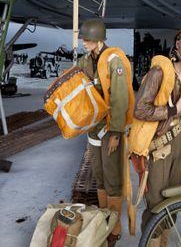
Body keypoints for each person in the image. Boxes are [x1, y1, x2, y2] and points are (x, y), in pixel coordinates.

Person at [134, 24, 181, 244]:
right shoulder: (159, 72)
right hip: (158, 147)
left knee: (174, 199)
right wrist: (175, 110)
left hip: (178, 144)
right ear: (177, 45)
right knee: (155, 204)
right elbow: (141, 110)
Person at [76, 18, 133, 246]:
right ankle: (103, 219)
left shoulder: (113, 60)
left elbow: (120, 98)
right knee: (99, 176)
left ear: (98, 40)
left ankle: (114, 228)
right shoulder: (85, 61)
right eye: (83, 39)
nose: (83, 43)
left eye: (87, 40)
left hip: (111, 129)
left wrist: (117, 133)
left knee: (112, 179)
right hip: (94, 128)